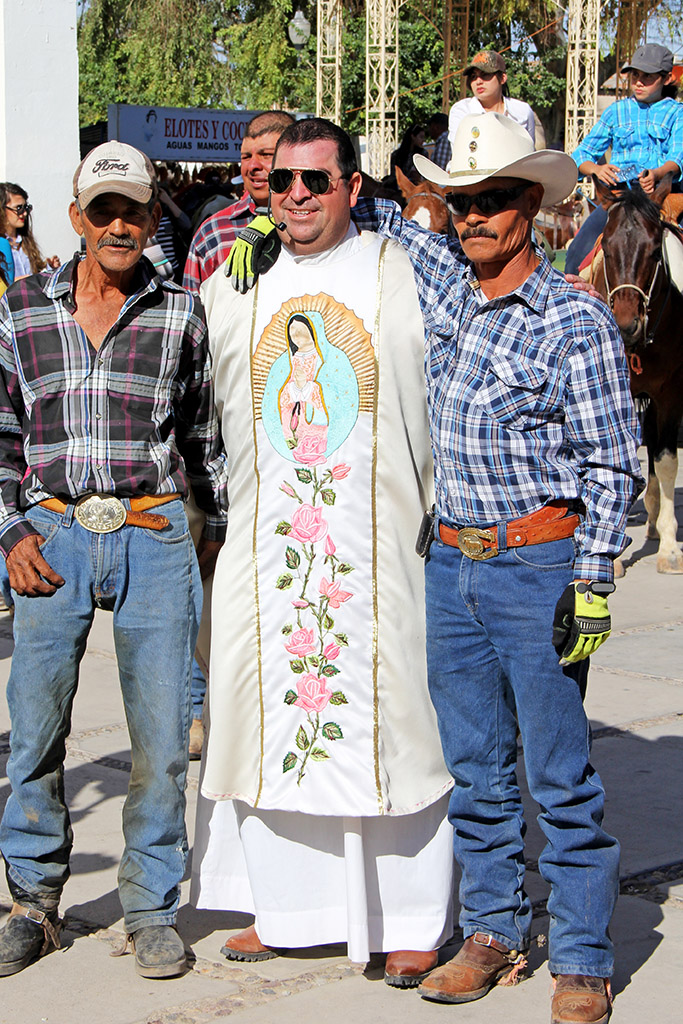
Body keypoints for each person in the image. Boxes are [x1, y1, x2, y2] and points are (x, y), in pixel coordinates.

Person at [341, 112, 643, 1021]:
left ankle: (583, 956)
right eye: (460, 200)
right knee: (475, 766)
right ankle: (493, 933)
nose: (470, 216)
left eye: (491, 200)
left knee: (558, 772)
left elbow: (613, 464)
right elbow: (370, 219)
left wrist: (591, 581)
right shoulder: (445, 287)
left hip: (536, 562)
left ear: (529, 208)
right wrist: (271, 213)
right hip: (453, 563)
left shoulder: (574, 321)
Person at [192, 117, 455, 986]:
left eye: (316, 180)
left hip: (377, 541)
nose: (296, 195)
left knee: (396, 724)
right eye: (281, 184)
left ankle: (412, 914)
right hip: (269, 542)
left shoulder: (400, 271)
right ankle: (287, 909)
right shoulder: (238, 283)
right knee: (267, 718)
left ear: (352, 187)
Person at [0, 140, 228, 979]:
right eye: (104, 211)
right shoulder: (21, 309)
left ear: (150, 216)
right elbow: (1, 434)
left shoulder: (181, 311)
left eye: (134, 209)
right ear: (77, 220)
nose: (121, 224)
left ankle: (151, 907)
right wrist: (9, 535)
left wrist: (212, 532)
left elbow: (203, 438)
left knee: (163, 737)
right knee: (35, 731)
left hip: (155, 531)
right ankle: (33, 902)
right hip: (49, 536)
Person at [566, 43, 683, 275]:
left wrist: (657, 174)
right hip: (620, 199)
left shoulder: (677, 112)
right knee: (575, 256)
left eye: (647, 77)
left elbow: (677, 159)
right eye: (635, 75)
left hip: (663, 199)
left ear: (667, 78)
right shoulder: (615, 111)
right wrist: (596, 171)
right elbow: (581, 155)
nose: (639, 82)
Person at [182, 111, 295, 292]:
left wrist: (276, 219)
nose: (252, 166)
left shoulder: (325, 220)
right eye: (246, 157)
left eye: (266, 155)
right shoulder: (213, 232)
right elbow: (192, 312)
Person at [449, 51, 535, 147]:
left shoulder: (522, 111)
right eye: (473, 77)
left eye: (485, 74)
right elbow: (459, 153)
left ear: (502, 78)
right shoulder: (462, 111)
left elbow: (529, 152)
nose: (478, 81)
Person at [0, 183, 60, 278]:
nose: (24, 213)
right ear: (2, 209)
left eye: (26, 208)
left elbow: (34, 274)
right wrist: (16, 283)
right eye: (18, 208)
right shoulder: (2, 244)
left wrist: (49, 267)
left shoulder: (25, 240)